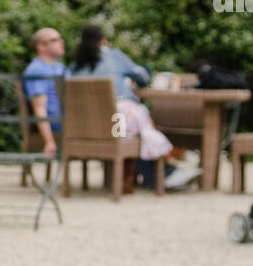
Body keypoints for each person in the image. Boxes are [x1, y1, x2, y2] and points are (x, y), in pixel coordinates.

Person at [68, 25, 200, 191]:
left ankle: (160, 174)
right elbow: (141, 75)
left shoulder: (74, 67)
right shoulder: (113, 56)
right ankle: (166, 174)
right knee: (141, 129)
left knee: (137, 126)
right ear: (103, 41)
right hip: (116, 124)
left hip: (84, 128)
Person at [22, 28, 67, 154]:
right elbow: (39, 107)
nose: (61, 42)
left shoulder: (61, 68)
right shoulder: (36, 70)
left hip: (72, 119)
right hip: (58, 124)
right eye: (55, 40)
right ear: (41, 46)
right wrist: (49, 141)